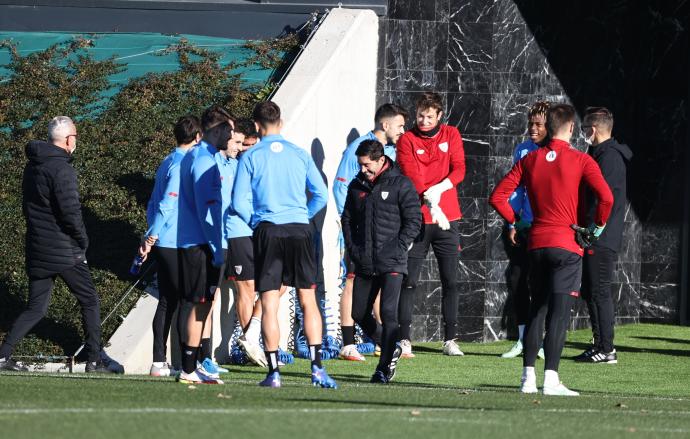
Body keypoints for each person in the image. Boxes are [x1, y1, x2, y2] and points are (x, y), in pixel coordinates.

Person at [489, 103, 613, 396]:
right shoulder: (581, 160)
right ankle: (552, 380)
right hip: (567, 246)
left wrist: (518, 223)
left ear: (549, 126)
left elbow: (497, 197)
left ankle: (527, 379)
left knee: (536, 310)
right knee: (558, 314)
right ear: (571, 128)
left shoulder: (530, 160)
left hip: (537, 245)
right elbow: (606, 198)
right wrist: (595, 229)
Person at [232, 101, 336, 389]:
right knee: (308, 299)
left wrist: (257, 222)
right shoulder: (299, 154)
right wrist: (302, 214)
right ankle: (317, 369)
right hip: (300, 230)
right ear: (281, 121)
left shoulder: (251, 157)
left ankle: (274, 372)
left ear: (256, 125)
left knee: (269, 302)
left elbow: (239, 201)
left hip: (269, 230)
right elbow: (321, 195)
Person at [0, 116, 111, 373]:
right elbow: (70, 212)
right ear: (68, 139)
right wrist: (82, 240)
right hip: (64, 250)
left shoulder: (33, 166)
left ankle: (3, 355)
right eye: (76, 136)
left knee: (36, 307)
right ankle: (94, 359)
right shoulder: (62, 169)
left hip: (38, 248)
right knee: (90, 300)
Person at [342, 139, 421, 383]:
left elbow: (414, 221)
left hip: (393, 262)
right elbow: (346, 218)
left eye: (367, 165)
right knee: (358, 313)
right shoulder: (356, 185)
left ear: (381, 160)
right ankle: (390, 346)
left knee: (388, 313)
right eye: (360, 165)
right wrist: (354, 248)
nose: (362, 170)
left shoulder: (401, 183)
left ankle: (383, 367)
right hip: (365, 260)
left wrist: (398, 247)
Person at [333, 103, 407, 362]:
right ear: (385, 125)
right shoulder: (358, 148)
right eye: (399, 125)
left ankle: (382, 341)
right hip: (359, 238)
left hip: (382, 241)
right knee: (352, 283)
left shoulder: (391, 153)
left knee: (378, 288)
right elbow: (342, 188)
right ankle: (347, 342)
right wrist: (352, 233)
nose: (403, 130)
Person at [396, 92, 466, 357]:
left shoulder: (451, 134)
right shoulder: (407, 140)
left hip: (449, 221)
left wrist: (442, 189)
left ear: (439, 116)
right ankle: (404, 339)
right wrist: (432, 203)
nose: (424, 120)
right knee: (409, 280)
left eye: (429, 116)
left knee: (451, 280)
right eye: (420, 115)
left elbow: (459, 169)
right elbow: (412, 176)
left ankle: (450, 339)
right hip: (418, 219)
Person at [139, 115, 201, 377]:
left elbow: (152, 204)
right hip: (174, 241)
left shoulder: (166, 160)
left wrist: (152, 233)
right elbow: (165, 203)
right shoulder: (180, 164)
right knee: (184, 300)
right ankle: (182, 363)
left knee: (168, 300)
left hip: (167, 240)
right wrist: (152, 236)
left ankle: (161, 361)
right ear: (197, 137)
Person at [175, 106, 232, 384]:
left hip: (199, 242)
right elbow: (205, 209)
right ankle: (187, 369)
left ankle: (192, 366)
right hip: (200, 244)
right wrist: (214, 246)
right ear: (217, 129)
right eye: (229, 130)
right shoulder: (202, 160)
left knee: (202, 306)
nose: (231, 136)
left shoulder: (204, 156)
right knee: (198, 305)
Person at [574, 107, 632, 364]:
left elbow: (604, 199)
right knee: (592, 290)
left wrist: (593, 230)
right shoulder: (599, 155)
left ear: (593, 129)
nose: (584, 133)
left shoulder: (609, 158)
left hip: (602, 237)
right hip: (597, 235)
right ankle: (600, 344)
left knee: (599, 291)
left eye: (586, 127)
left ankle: (607, 348)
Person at [501, 101, 550, 359]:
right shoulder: (522, 151)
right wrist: (512, 222)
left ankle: (539, 341)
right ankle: (522, 340)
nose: (533, 129)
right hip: (524, 227)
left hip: (550, 229)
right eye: (531, 123)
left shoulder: (559, 151)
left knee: (542, 285)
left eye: (539, 125)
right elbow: (516, 190)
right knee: (518, 280)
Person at [221, 118, 267, 367]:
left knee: (277, 284)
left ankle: (251, 336)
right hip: (239, 231)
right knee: (246, 288)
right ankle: (249, 347)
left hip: (263, 230)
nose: (243, 149)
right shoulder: (229, 162)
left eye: (248, 144)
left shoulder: (262, 160)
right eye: (241, 144)